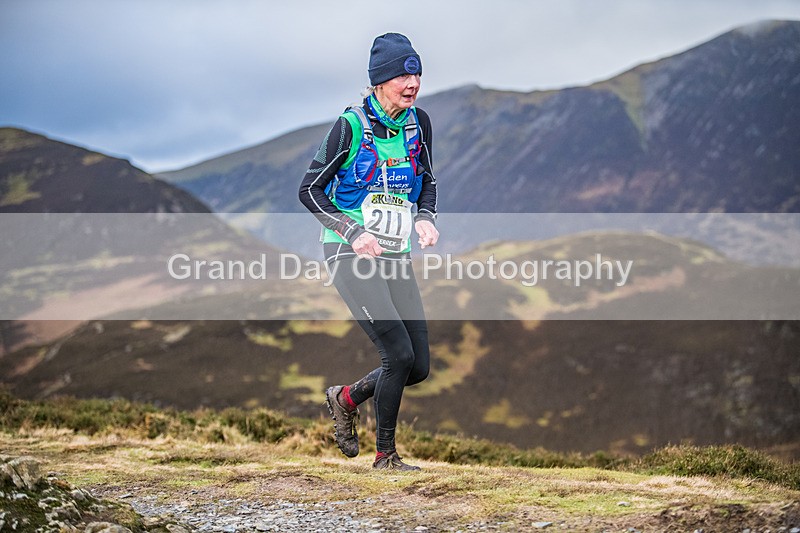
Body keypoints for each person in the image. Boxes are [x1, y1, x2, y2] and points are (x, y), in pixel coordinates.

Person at [298, 33, 438, 471]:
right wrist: (351, 230)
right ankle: (386, 457)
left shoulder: (420, 124)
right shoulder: (350, 127)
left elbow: (428, 181)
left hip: (395, 253)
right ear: (379, 81)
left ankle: (345, 398)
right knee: (396, 355)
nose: (411, 82)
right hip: (349, 252)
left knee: (417, 366)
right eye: (402, 74)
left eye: (416, 72)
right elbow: (309, 189)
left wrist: (426, 217)